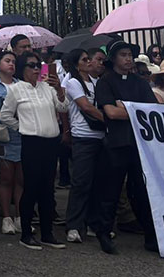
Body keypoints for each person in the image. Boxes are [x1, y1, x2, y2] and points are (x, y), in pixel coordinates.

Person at [93, 41, 157, 254]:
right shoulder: (106, 82)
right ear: (114, 58)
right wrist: (134, 110)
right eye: (123, 54)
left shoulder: (140, 82)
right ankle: (104, 232)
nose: (128, 59)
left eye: (130, 54)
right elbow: (110, 113)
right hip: (117, 143)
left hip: (139, 144)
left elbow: (151, 111)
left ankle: (151, 235)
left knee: (141, 190)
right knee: (111, 190)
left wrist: (125, 107)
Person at [0, 51, 68, 250]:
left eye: (38, 65)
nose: (36, 69)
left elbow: (63, 108)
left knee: (48, 189)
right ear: (22, 69)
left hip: (50, 142)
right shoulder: (15, 89)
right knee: (31, 187)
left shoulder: (47, 87)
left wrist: (59, 90)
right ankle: (27, 233)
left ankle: (47, 233)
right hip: (31, 142)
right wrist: (21, 127)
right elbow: (5, 116)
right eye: (31, 65)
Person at [60, 48, 103, 244]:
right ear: (77, 64)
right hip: (83, 136)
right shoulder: (73, 82)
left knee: (97, 183)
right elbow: (85, 106)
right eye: (84, 59)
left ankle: (93, 222)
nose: (89, 62)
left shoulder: (96, 82)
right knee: (81, 182)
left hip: (100, 136)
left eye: (89, 59)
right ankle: (74, 225)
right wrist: (108, 118)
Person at [0, 50, 23, 235]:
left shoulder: (21, 85)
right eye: (7, 61)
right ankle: (6, 217)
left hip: (21, 133)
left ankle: (20, 216)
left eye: (14, 62)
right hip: (2, 134)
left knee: (21, 179)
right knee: (6, 178)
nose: (11, 64)